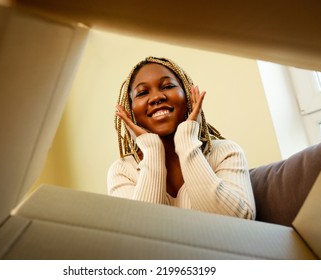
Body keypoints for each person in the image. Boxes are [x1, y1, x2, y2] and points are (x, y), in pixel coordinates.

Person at [107, 56, 256, 219]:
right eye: (142, 93)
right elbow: (138, 236)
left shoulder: (225, 152)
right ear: (131, 110)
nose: (157, 97)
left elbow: (240, 222)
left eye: (168, 86)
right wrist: (152, 150)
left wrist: (186, 142)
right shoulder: (122, 171)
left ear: (187, 96)